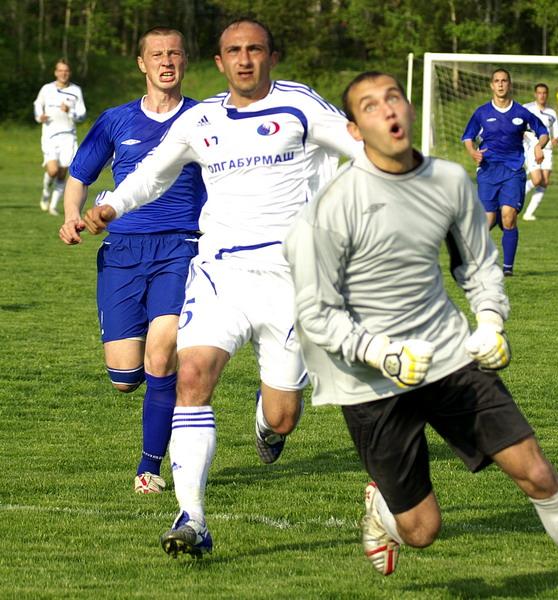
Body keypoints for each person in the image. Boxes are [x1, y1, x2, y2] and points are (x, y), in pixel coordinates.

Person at [284, 71, 558, 600]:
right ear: (354, 128)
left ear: (409, 110)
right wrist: (381, 353)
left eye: (394, 98)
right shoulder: (330, 209)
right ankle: (384, 507)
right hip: (370, 383)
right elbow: (316, 314)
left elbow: (478, 267)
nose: (387, 110)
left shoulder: (449, 183)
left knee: (537, 473)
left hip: (449, 358)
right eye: (370, 106)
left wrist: (491, 321)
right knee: (422, 531)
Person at [80, 18, 360, 557]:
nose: (245, 59)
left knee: (283, 415)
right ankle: (192, 517)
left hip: (290, 280)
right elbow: (153, 173)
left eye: (255, 49)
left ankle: (268, 424)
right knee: (191, 373)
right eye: (234, 51)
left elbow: (360, 147)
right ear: (220, 61)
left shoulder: (301, 105)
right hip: (219, 275)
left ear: (271, 57)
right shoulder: (202, 119)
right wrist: (112, 204)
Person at [58, 27, 206, 495]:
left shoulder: (206, 119)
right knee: (125, 377)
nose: (166, 61)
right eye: (157, 55)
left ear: (185, 62)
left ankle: (150, 467)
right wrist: (69, 218)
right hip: (121, 251)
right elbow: (80, 175)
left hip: (180, 246)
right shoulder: (116, 121)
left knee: (162, 357)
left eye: (175, 54)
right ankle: (161, 395)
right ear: (142, 64)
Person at [462, 68, 549, 276]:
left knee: (509, 217)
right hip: (488, 171)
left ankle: (508, 269)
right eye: (496, 81)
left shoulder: (521, 113)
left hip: (513, 170)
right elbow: (468, 137)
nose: (500, 84)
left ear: (509, 85)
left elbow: (543, 132)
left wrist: (539, 146)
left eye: (504, 81)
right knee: (488, 221)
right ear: (492, 85)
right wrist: (473, 152)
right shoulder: (481, 113)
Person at [34, 58, 87, 215]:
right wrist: (39, 116)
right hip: (50, 136)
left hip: (68, 137)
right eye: (60, 70)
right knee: (52, 170)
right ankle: (45, 193)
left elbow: (82, 115)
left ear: (69, 73)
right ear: (56, 72)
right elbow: (37, 104)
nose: (63, 73)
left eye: (66, 71)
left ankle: (53, 206)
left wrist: (69, 111)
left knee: (63, 172)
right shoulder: (46, 89)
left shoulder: (76, 90)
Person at [522, 82, 558, 221]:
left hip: (547, 150)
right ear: (535, 94)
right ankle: (515, 197)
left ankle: (528, 213)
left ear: (547, 95)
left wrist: (556, 140)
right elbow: (516, 124)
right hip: (531, 148)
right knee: (537, 179)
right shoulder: (526, 108)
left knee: (544, 181)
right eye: (539, 93)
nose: (542, 95)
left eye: (544, 93)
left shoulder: (552, 113)